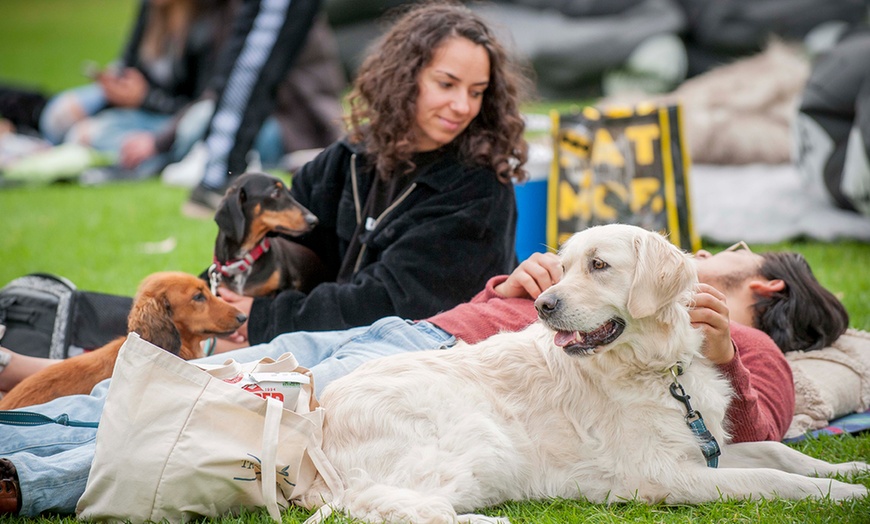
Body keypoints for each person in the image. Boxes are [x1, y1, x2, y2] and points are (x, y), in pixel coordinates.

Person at [0, 238, 851, 516]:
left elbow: (755, 423)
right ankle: (29, 397)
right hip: (422, 345)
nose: (704, 253)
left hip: (416, 361)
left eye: (725, 251)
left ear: (763, 283)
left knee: (204, 428)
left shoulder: (735, 342)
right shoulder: (604, 313)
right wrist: (512, 288)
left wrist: (721, 354)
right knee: (171, 407)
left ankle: (25, 474)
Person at [199, 1, 529, 353]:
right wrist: (216, 295)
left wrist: (265, 318)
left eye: (476, 92)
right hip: (338, 338)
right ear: (405, 77)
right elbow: (280, 242)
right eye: (447, 84)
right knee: (181, 339)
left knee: (218, 364)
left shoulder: (478, 188)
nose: (463, 105)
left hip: (425, 355)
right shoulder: (350, 159)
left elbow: (391, 302)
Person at [38, 0, 235, 175]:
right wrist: (116, 82)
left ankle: (156, 159)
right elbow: (129, 62)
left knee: (81, 136)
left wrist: (145, 99)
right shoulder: (151, 10)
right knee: (59, 115)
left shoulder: (212, 22)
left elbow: (203, 107)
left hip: (176, 120)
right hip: (143, 106)